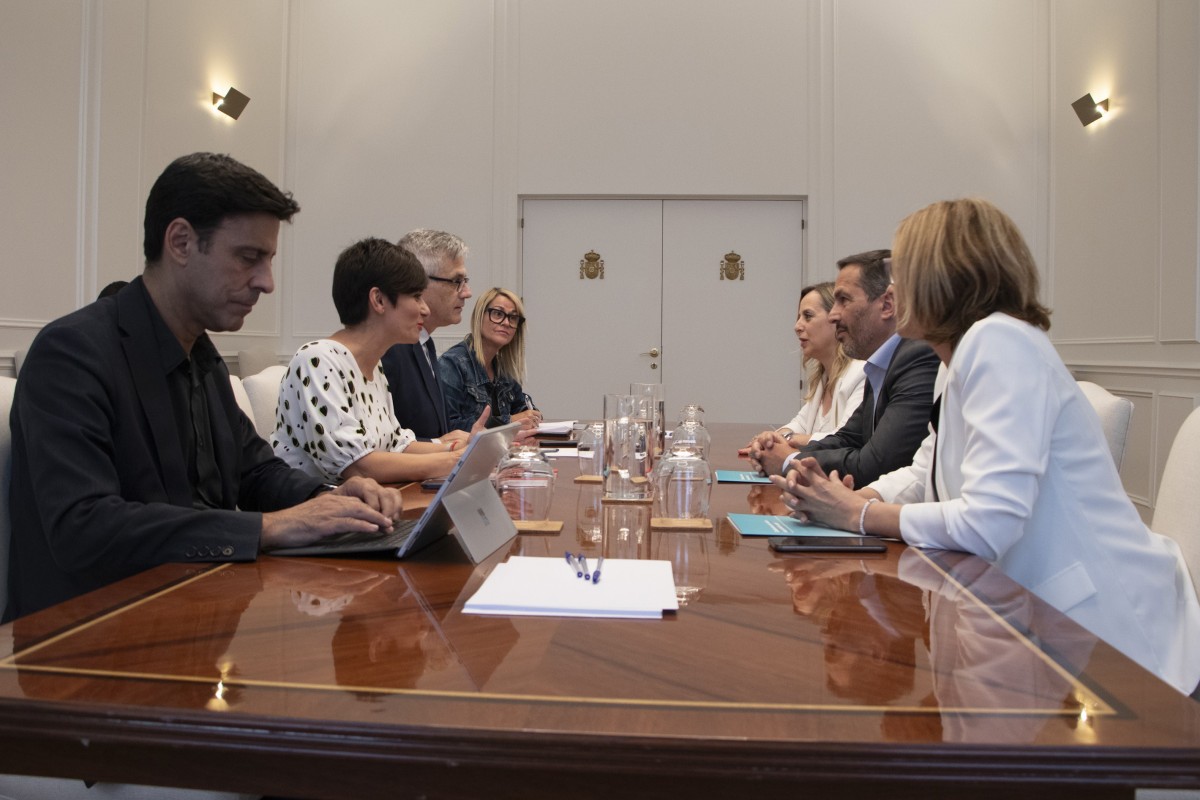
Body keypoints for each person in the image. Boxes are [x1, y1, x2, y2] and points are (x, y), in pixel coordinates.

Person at [775, 198, 1200, 697]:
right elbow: (925, 472)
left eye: (902, 271)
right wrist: (853, 500)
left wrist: (860, 518)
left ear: (943, 276)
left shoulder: (999, 343)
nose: (892, 291)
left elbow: (989, 522)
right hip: (1032, 623)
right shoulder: (959, 358)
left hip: (1108, 645)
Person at [6, 152, 403, 620]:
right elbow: (84, 527)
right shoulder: (72, 352)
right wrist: (266, 528)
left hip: (188, 608)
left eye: (268, 260)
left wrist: (328, 499)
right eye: (249, 258)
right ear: (180, 242)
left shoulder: (201, 354)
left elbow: (254, 471)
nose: (267, 282)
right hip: (82, 639)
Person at [271, 237, 474, 483]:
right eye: (416, 296)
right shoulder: (318, 359)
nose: (425, 309)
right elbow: (359, 466)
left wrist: (462, 447)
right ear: (378, 300)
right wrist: (455, 460)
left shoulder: (373, 366)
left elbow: (396, 444)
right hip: (315, 513)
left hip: (360, 509)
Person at [750, 250, 939, 485]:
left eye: (844, 300)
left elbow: (875, 464)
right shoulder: (881, 362)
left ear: (887, 305)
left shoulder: (916, 358)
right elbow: (848, 438)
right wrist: (775, 452)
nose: (834, 315)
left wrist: (790, 460)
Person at [379, 229, 478, 444]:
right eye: (456, 281)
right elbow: (382, 445)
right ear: (418, 283)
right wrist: (443, 446)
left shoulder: (425, 342)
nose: (467, 292)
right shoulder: (389, 349)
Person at [744, 281, 866, 454]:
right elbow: (798, 424)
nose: (797, 326)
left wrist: (786, 440)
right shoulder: (824, 377)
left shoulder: (861, 373)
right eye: (799, 317)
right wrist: (771, 438)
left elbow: (844, 439)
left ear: (835, 319)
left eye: (808, 316)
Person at [438, 287, 541, 432]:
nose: (506, 323)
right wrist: (508, 421)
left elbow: (521, 408)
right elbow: (448, 426)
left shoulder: (504, 369)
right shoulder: (453, 364)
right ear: (480, 316)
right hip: (465, 453)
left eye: (513, 318)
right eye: (498, 314)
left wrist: (531, 415)